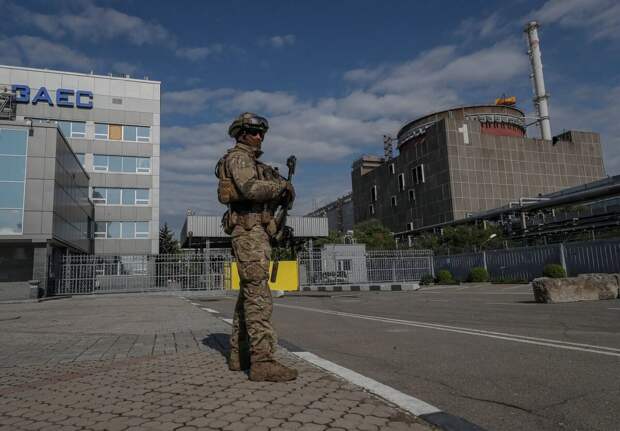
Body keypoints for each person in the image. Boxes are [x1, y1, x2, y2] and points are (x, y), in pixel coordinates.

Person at [216, 112, 297, 382]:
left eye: (262, 132)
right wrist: (280, 186)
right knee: (259, 296)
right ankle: (263, 361)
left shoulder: (252, 161)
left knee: (248, 296)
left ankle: (240, 356)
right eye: (254, 131)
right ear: (241, 133)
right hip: (248, 234)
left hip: (254, 232)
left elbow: (259, 209)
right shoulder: (238, 158)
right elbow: (250, 190)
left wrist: (274, 228)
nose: (259, 136)